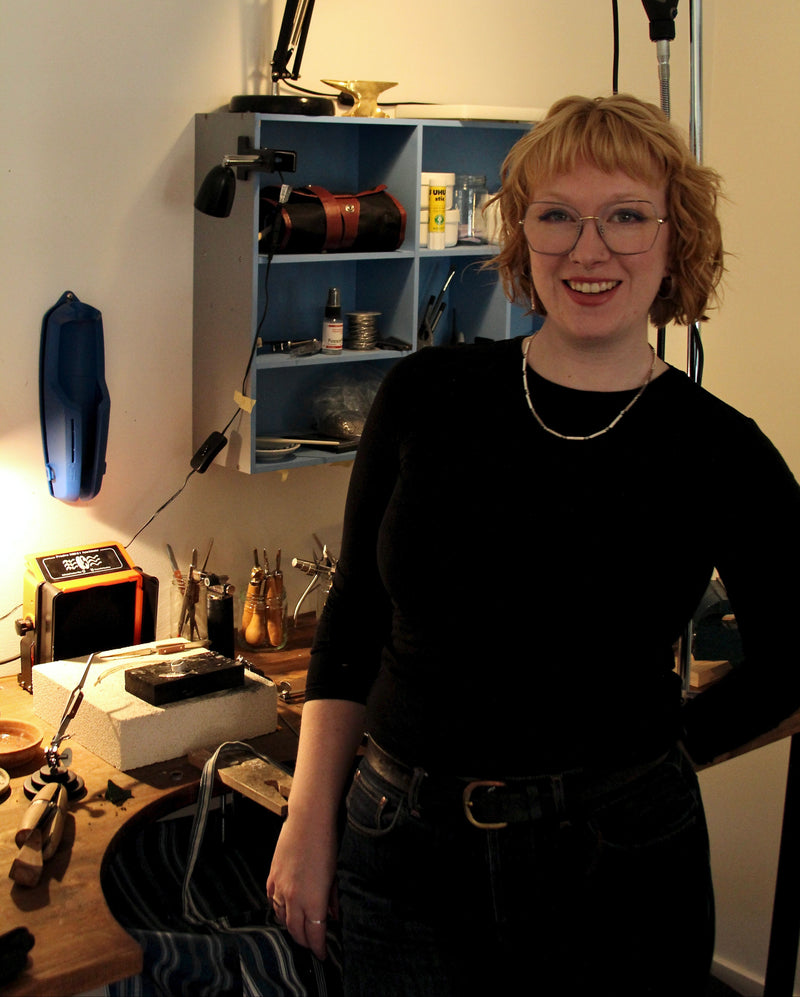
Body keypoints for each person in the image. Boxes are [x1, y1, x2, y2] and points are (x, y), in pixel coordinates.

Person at [267, 93, 800, 996]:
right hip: (400, 855)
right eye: (557, 216)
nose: (588, 250)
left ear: (677, 239)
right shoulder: (427, 395)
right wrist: (307, 819)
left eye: (626, 216)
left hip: (619, 874)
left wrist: (660, 759)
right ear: (521, 236)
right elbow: (354, 615)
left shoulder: (718, 448)